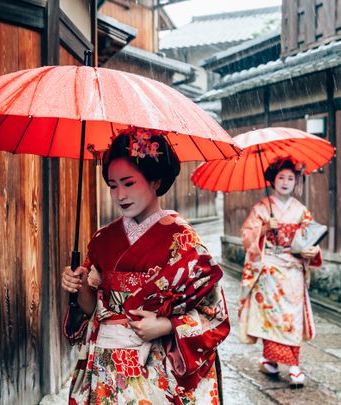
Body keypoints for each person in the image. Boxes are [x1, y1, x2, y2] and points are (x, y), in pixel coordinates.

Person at [62, 126, 230, 404]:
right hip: (108, 363)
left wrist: (166, 325)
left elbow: (215, 315)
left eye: (129, 183)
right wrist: (79, 287)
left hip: (157, 365)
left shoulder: (183, 239)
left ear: (155, 180)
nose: (119, 195)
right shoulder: (103, 239)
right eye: (112, 185)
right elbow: (93, 309)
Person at [236, 157, 322, 388]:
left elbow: (310, 239)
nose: (285, 182)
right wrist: (264, 228)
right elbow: (246, 236)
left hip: (293, 269)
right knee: (271, 318)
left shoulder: (301, 211)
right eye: (281, 178)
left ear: (296, 182)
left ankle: (294, 365)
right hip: (269, 270)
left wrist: (312, 251)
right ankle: (270, 358)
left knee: (291, 317)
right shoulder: (262, 208)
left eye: (290, 178)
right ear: (272, 180)